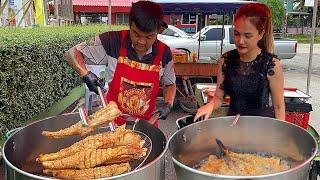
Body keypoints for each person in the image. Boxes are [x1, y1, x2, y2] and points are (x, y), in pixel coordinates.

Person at [65, 1, 176, 127]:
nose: (141, 41)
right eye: (135, 34)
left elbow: (170, 84)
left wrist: (169, 103)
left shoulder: (164, 52)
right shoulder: (112, 41)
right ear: (129, 25)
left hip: (145, 127)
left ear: (159, 30)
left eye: (149, 37)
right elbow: (72, 53)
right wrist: (85, 74)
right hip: (111, 125)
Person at [194, 3, 285, 121]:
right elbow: (218, 97)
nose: (240, 41)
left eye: (247, 36)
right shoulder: (226, 60)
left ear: (260, 34)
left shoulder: (271, 64)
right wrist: (210, 105)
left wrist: (281, 135)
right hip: (234, 126)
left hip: (262, 129)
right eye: (236, 34)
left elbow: (278, 107)